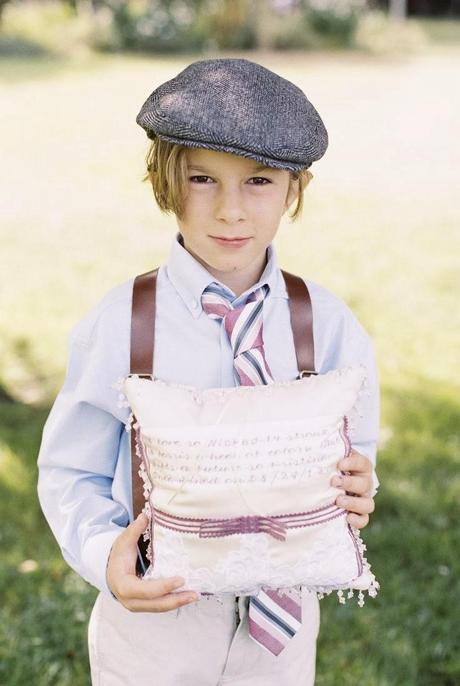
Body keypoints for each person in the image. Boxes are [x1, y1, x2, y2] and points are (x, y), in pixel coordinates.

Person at [37, 57, 379, 685]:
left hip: (284, 626)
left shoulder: (327, 326)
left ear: (294, 187)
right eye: (202, 179)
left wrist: (358, 483)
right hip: (154, 623)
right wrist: (104, 556)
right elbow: (72, 470)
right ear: (165, 182)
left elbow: (355, 447)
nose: (230, 211)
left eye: (258, 181)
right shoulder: (121, 324)